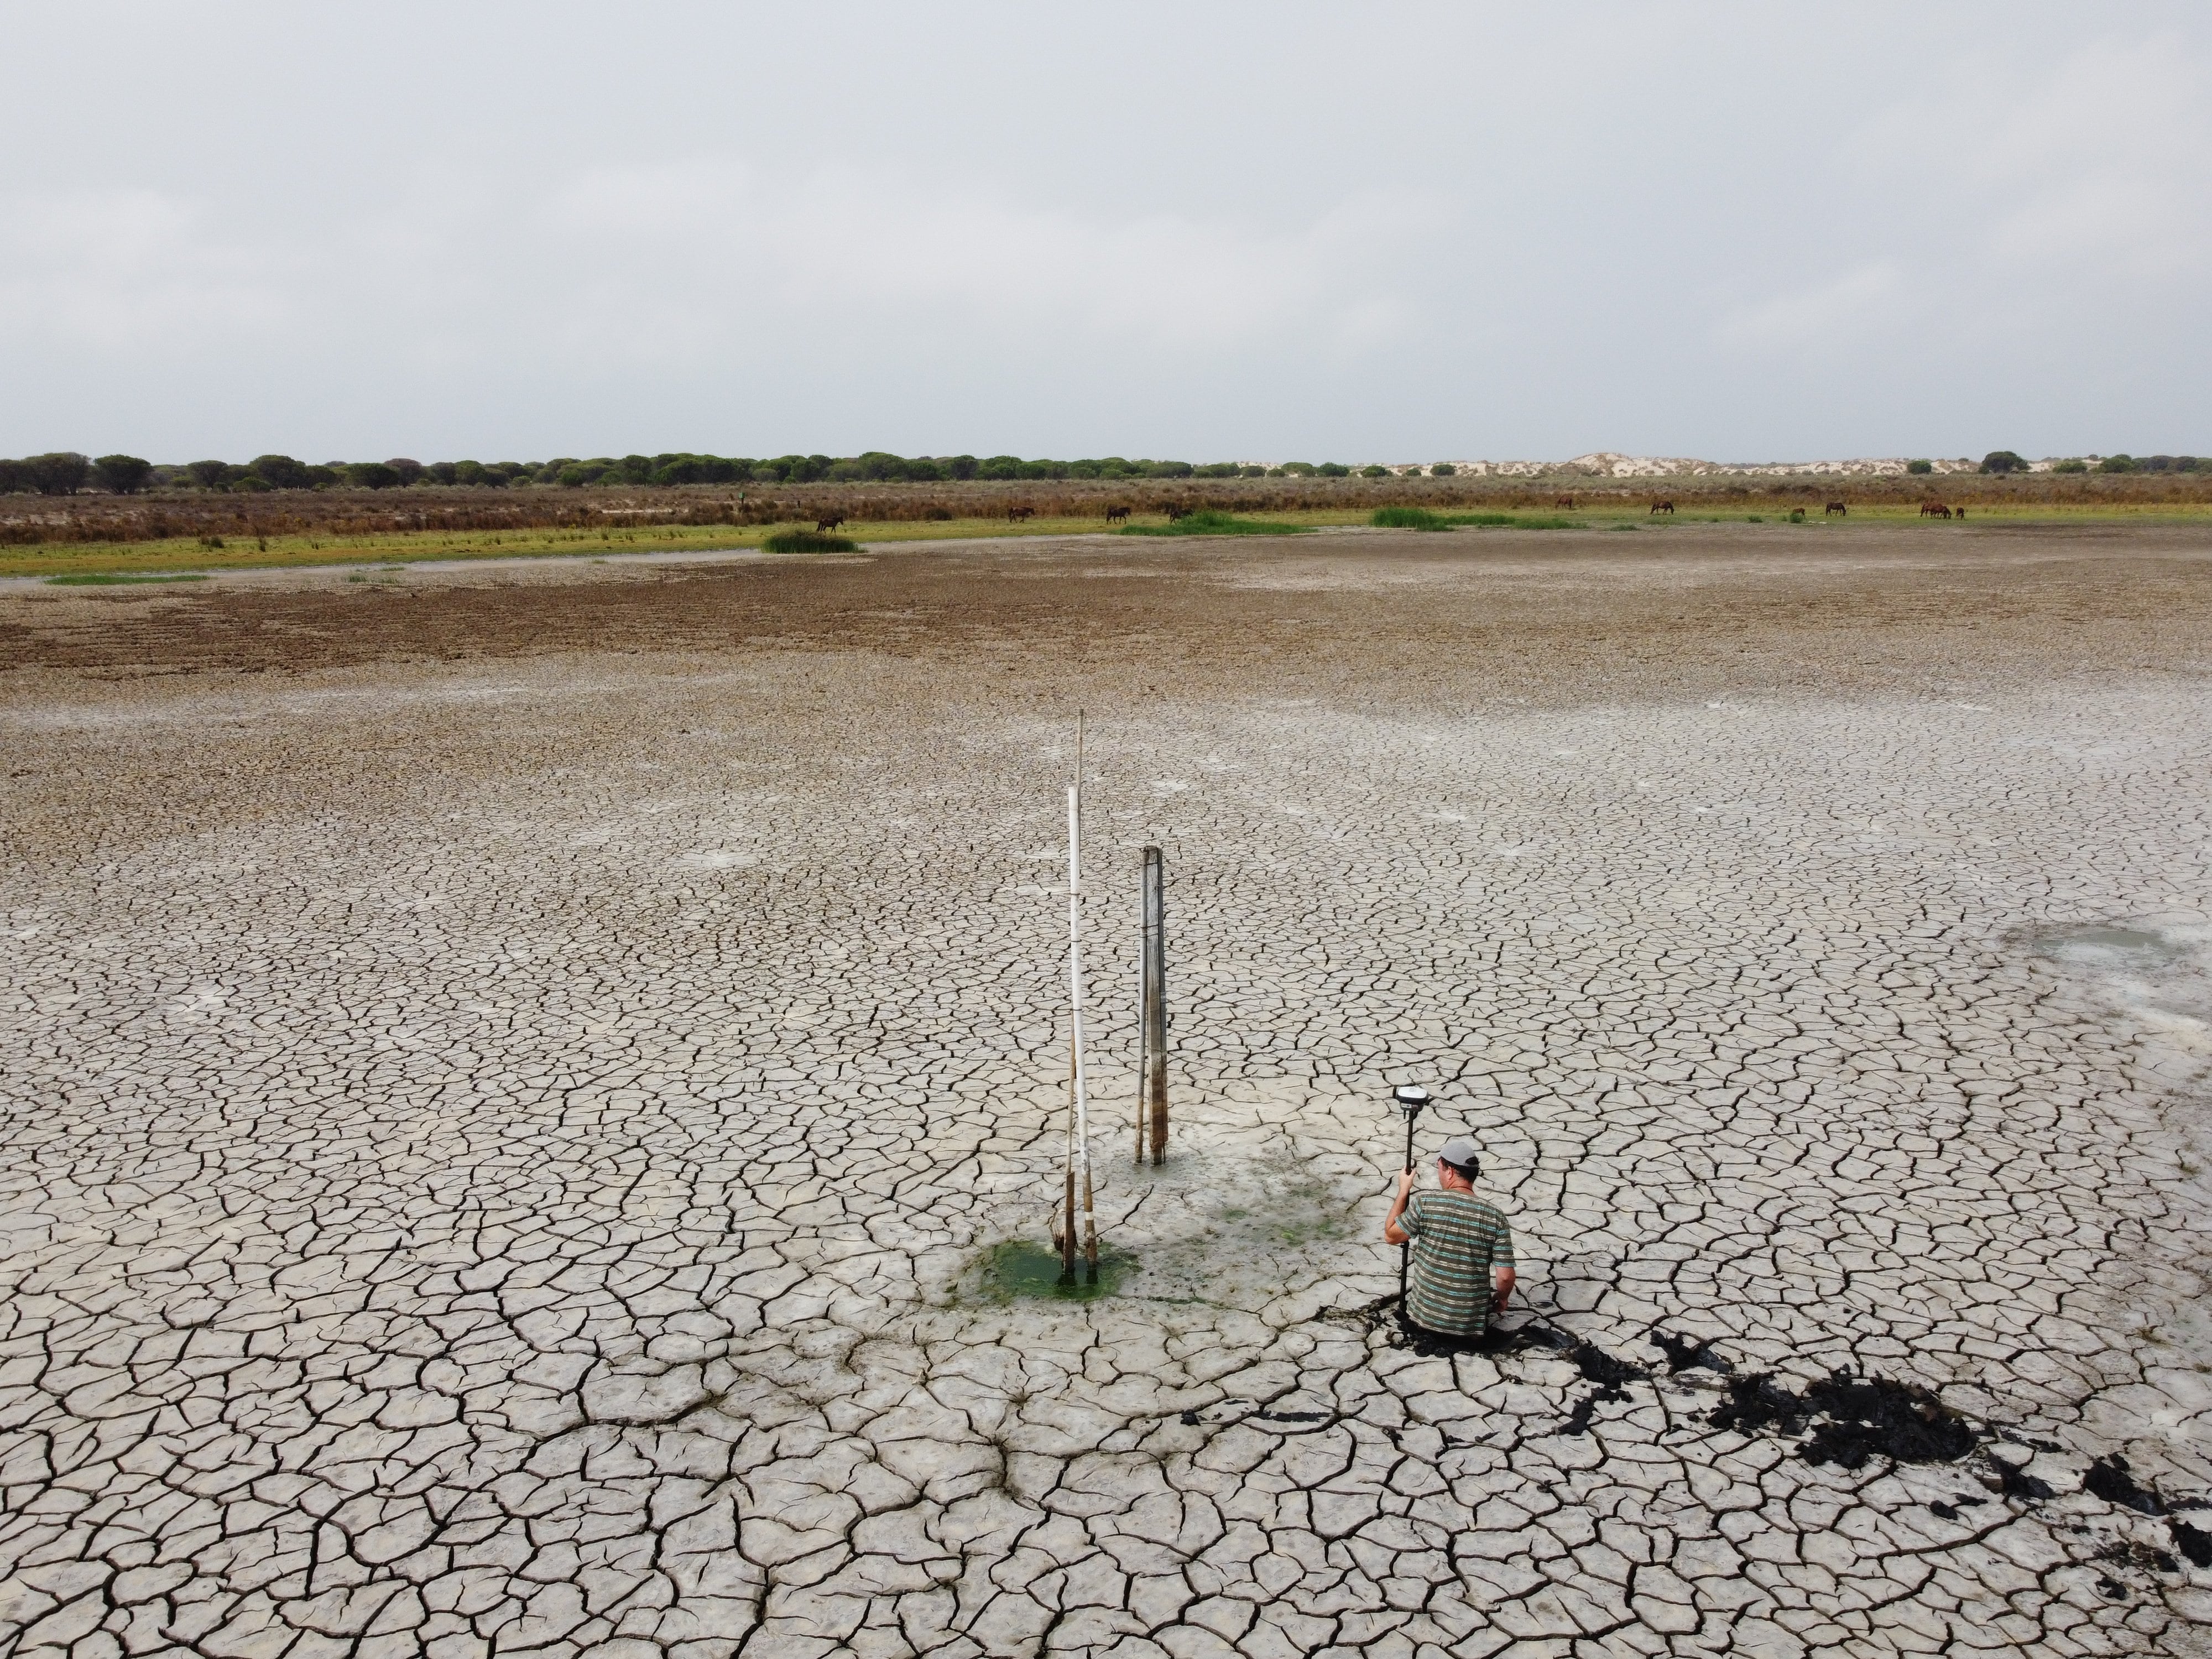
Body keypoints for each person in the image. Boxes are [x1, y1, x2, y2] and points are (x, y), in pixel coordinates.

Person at [1383, 1135, 1515, 1339]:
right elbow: (1505, 1276)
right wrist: (1502, 1298)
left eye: (1439, 1169)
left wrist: (1404, 1190)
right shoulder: (1495, 1215)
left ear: (1449, 1171)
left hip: (1424, 1320)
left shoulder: (1426, 1203)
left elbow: (1391, 1236)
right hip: (1469, 1328)